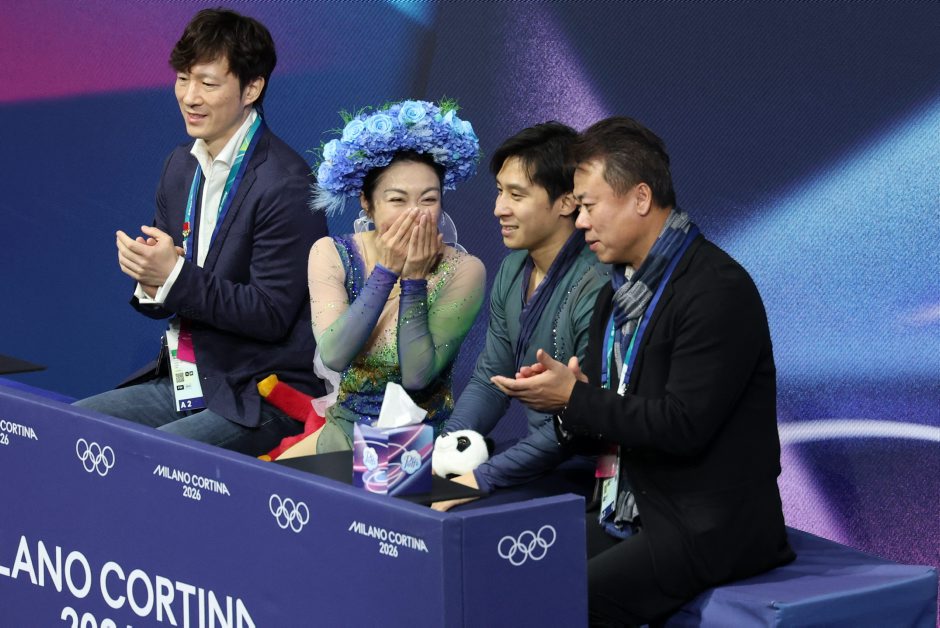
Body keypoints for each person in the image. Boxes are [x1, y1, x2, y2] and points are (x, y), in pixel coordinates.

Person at [492, 117, 794, 626]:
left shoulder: (716, 289)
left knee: (576, 598)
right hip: (632, 505)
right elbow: (606, 420)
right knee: (514, 575)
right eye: (578, 207)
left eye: (589, 206)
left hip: (707, 522)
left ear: (640, 197)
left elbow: (683, 426)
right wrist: (566, 400)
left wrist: (575, 399)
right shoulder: (615, 292)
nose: (580, 222)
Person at [74, 9, 327, 455]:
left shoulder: (287, 183)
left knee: (159, 459)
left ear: (252, 88)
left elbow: (270, 314)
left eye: (208, 83)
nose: (190, 97)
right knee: (72, 428)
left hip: (258, 392)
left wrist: (173, 276)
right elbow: (175, 289)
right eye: (182, 79)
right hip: (189, 380)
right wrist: (151, 277)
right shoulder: (180, 165)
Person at [272, 100, 486, 458]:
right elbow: (333, 356)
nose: (415, 214)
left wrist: (414, 281)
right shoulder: (331, 253)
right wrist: (386, 272)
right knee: (270, 483)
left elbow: (417, 376)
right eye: (397, 200)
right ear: (367, 203)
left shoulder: (465, 270)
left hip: (415, 445)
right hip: (344, 430)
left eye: (429, 199)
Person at [431, 122, 608, 511]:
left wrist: (480, 479)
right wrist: (446, 448)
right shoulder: (512, 271)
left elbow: (582, 423)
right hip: (538, 459)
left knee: (461, 510)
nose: (499, 208)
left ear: (567, 201)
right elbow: (491, 380)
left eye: (516, 195)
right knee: (424, 491)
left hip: (587, 468)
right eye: (499, 192)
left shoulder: (597, 284)